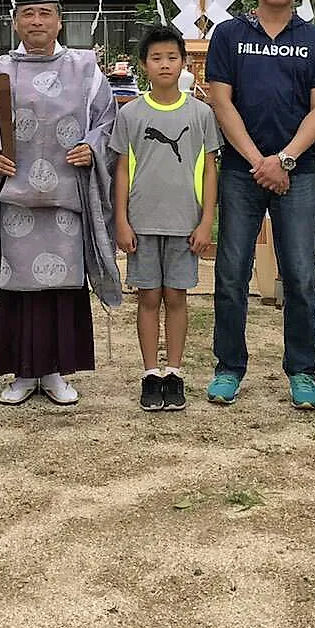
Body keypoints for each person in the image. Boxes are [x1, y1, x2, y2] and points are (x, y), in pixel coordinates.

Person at [0, 0, 121, 406]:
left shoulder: (87, 72)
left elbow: (109, 125)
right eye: (27, 13)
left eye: (45, 12)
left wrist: (92, 147)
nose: (36, 21)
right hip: (16, 201)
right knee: (18, 289)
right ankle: (23, 373)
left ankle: (55, 372)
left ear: (60, 20)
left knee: (63, 289)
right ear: (14, 21)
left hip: (68, 198)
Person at [205, 0, 315, 410]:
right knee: (231, 272)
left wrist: (283, 160)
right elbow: (222, 101)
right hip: (241, 171)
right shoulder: (228, 35)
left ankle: (302, 370)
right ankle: (228, 367)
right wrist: (259, 160)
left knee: (300, 274)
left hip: (296, 173)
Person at [110, 26, 220, 412]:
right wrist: (121, 220)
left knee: (176, 297)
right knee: (148, 297)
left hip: (184, 223)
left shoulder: (201, 113)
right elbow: (121, 170)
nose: (164, 64)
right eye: (156, 58)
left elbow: (209, 170)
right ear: (143, 65)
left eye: (172, 57)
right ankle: (150, 373)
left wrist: (206, 220)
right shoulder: (131, 113)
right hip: (142, 223)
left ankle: (175, 372)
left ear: (184, 63)